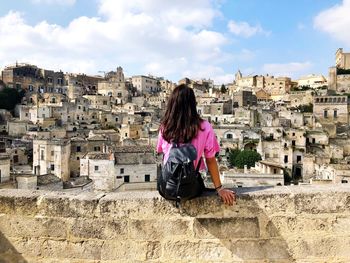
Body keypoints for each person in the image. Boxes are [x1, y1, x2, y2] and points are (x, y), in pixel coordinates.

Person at [156, 84, 235, 205]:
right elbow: (210, 160)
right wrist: (219, 188)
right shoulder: (204, 127)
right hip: (189, 189)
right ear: (193, 103)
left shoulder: (165, 127)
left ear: (172, 104)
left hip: (166, 188)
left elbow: (161, 151)